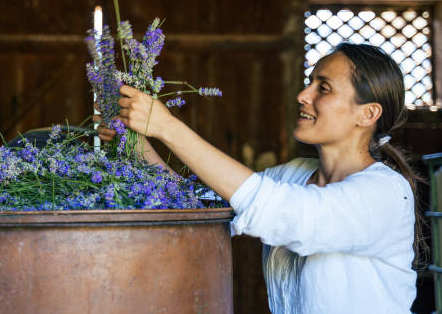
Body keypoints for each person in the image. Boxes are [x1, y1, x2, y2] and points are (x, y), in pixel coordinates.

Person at [95, 42, 423, 313]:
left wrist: (168, 127)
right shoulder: (293, 175)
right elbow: (198, 203)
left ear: (367, 114)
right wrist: (135, 141)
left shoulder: (386, 193)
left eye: (322, 87)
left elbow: (279, 211)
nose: (303, 95)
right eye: (309, 82)